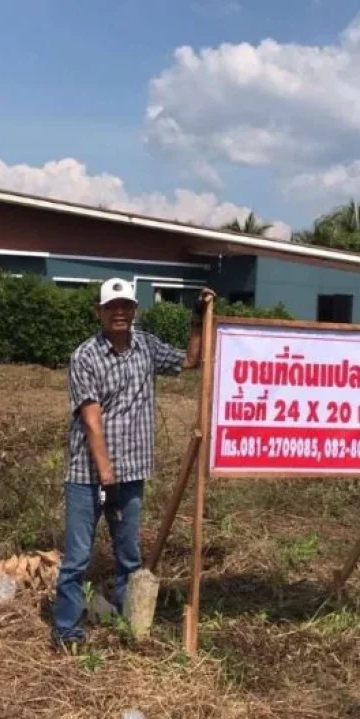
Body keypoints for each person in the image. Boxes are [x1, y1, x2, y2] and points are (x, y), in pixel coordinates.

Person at [53, 277, 213, 651]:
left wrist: (197, 319)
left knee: (129, 557)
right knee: (77, 557)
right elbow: (92, 419)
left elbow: (189, 361)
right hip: (88, 475)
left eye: (125, 306)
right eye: (112, 307)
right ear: (99, 312)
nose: (119, 313)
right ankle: (66, 633)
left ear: (135, 310)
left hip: (133, 473)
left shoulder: (146, 346)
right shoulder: (86, 356)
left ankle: (131, 626)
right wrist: (105, 475)